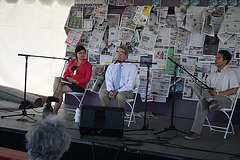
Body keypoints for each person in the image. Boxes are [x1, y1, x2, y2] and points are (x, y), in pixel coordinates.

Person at [185, 50, 239, 140]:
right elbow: (206, 90)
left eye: (218, 58)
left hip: (225, 99)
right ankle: (196, 132)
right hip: (212, 99)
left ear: (225, 61)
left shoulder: (231, 73)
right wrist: (203, 88)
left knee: (202, 102)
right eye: (216, 58)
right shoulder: (212, 75)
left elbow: (234, 90)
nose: (216, 60)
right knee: (195, 86)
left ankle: (210, 101)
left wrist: (217, 93)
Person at [52, 45, 92, 114]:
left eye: (83, 53)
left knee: (60, 90)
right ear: (76, 54)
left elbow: (87, 79)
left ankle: (54, 109)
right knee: (57, 79)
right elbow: (66, 73)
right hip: (69, 82)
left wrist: (75, 81)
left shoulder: (88, 65)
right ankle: (55, 99)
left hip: (79, 85)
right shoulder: (72, 62)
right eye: (80, 53)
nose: (82, 55)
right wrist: (67, 78)